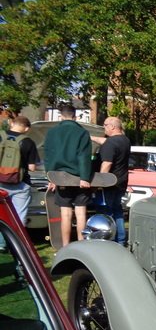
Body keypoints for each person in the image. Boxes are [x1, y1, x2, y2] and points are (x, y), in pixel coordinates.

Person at [45, 104, 93, 246]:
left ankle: (65, 246)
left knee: (65, 214)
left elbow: (49, 156)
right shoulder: (82, 133)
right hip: (79, 178)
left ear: (61, 116)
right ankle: (81, 245)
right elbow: (84, 156)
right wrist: (84, 177)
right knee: (80, 214)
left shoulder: (52, 132)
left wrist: (51, 177)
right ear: (75, 116)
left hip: (60, 177)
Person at [0, 115, 39, 250]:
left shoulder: (1, 136)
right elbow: (32, 167)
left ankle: (1, 243)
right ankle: (15, 244)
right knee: (18, 215)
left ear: (12, 124)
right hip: (20, 184)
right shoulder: (28, 142)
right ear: (27, 128)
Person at [91, 116, 131, 244]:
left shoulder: (111, 143)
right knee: (117, 211)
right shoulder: (124, 140)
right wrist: (90, 138)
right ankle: (121, 239)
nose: (104, 127)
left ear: (113, 127)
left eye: (105, 125)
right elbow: (106, 142)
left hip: (109, 183)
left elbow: (106, 164)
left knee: (106, 213)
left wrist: (100, 182)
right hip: (121, 182)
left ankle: (109, 239)